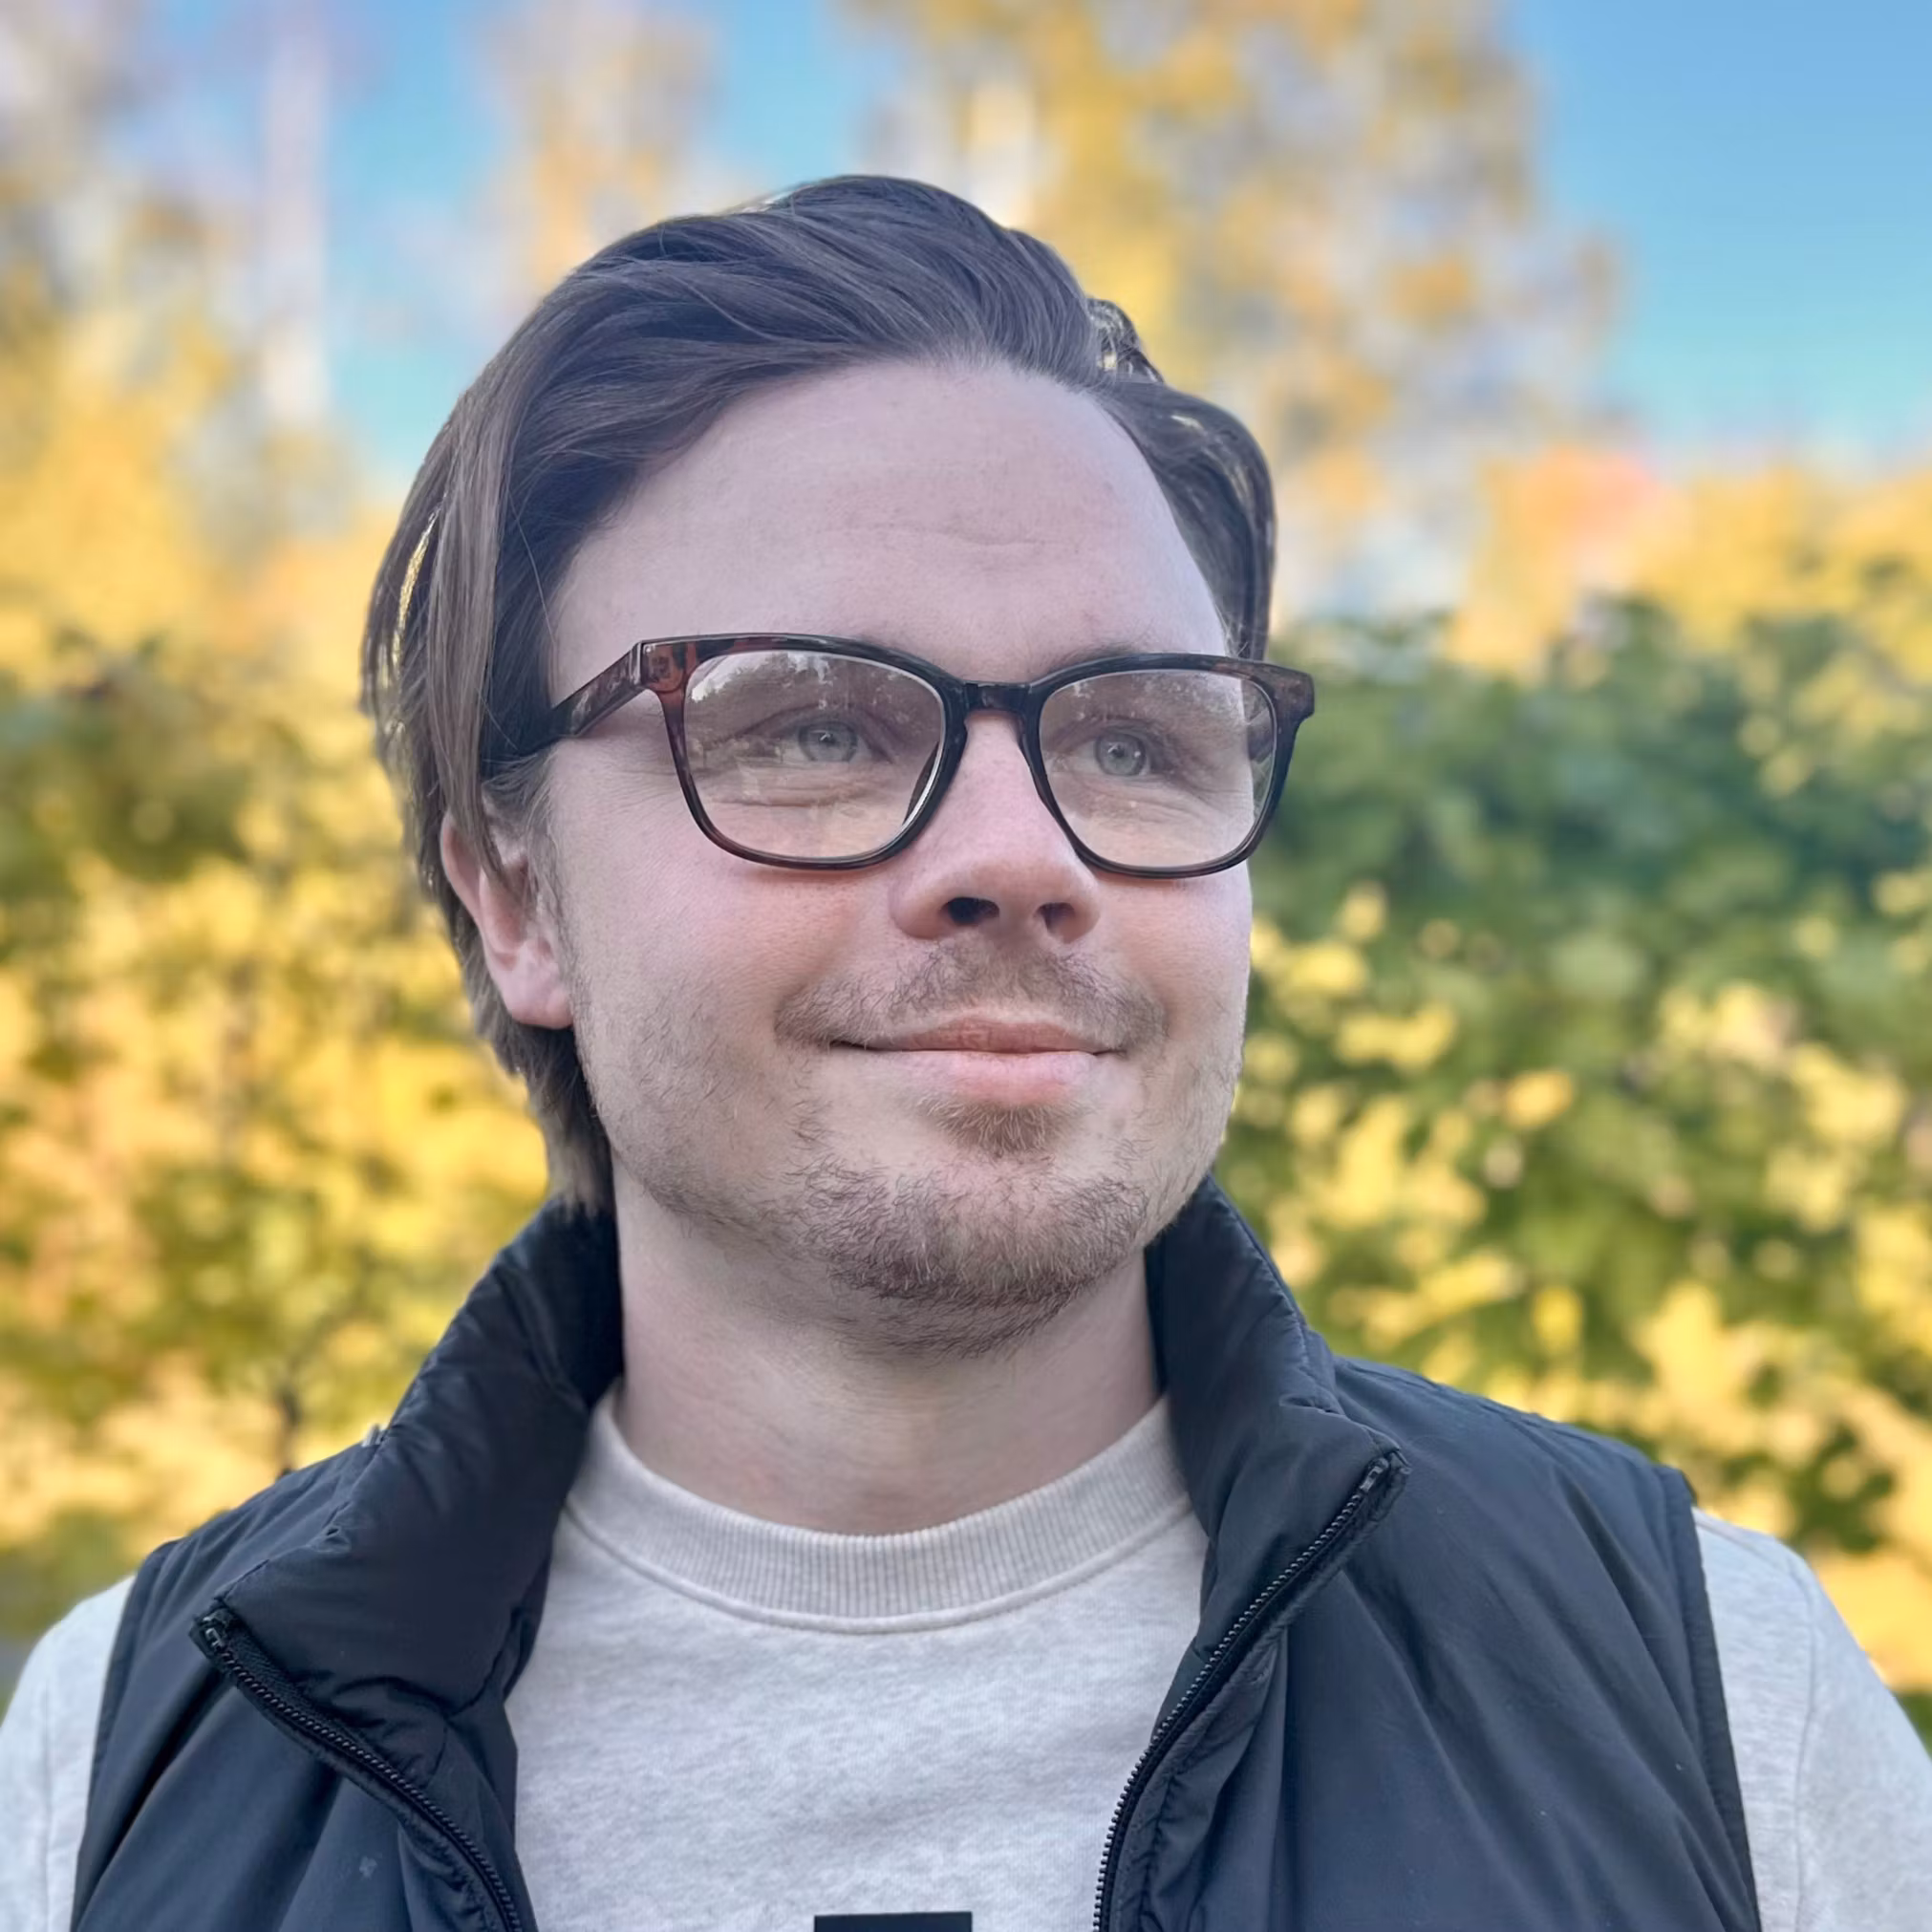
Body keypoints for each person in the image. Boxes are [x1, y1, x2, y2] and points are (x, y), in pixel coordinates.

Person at [3, 175, 1929, 1932]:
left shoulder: (1714, 1702)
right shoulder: (109, 1764)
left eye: (1136, 738)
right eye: (811, 726)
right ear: (516, 895)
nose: (1022, 855)